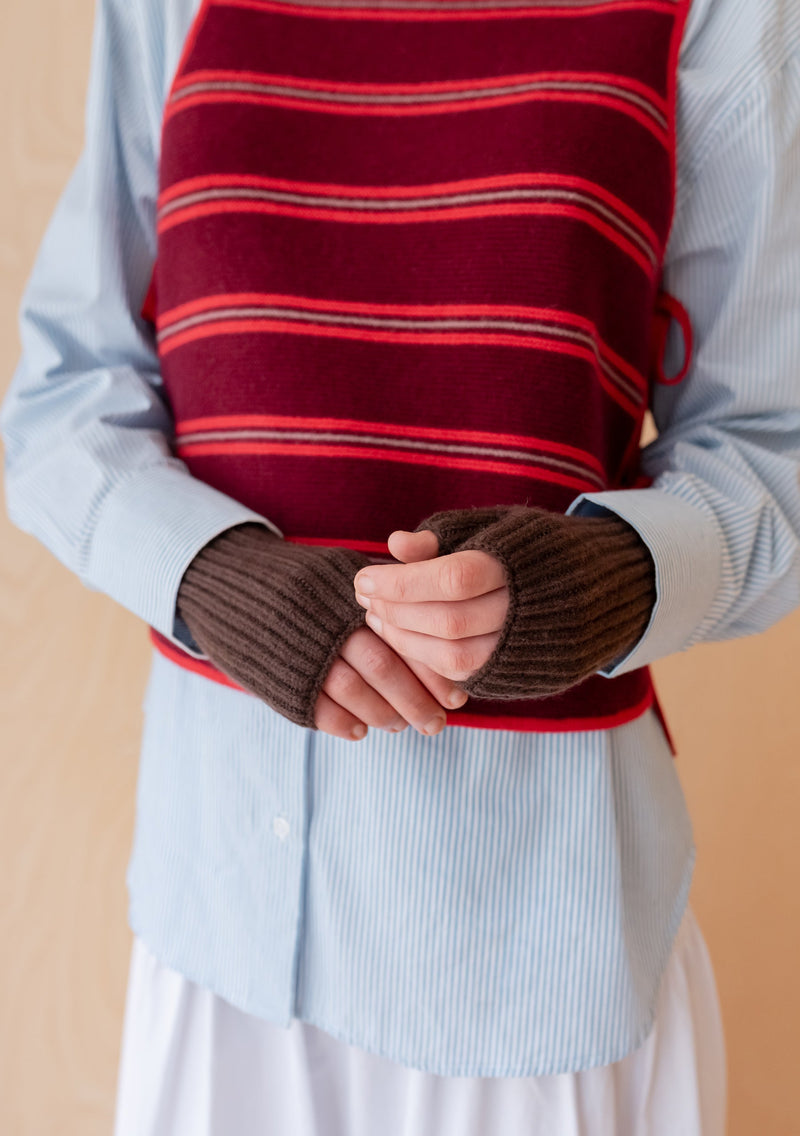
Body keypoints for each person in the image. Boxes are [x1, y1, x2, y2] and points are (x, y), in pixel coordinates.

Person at [3, 0, 799, 1131]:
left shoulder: (726, 12)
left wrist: (600, 577)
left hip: (536, 956)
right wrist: (213, 576)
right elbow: (65, 393)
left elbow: (771, 449)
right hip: (219, 926)